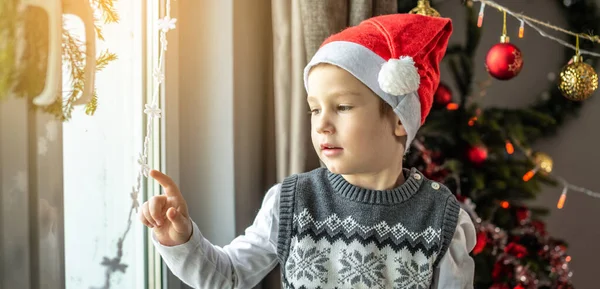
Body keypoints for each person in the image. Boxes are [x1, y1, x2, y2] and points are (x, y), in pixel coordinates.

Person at [139, 13, 476, 289]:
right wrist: (180, 239)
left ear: (399, 119)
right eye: (315, 109)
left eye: (342, 107)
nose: (322, 125)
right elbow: (227, 276)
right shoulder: (291, 201)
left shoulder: (442, 219)